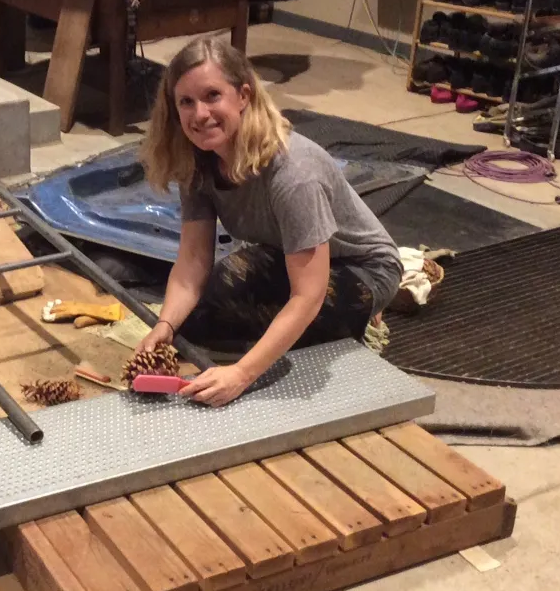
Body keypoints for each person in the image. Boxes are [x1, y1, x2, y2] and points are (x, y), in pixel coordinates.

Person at [136, 36, 403, 407]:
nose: (200, 114)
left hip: (362, 267)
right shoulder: (197, 161)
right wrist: (164, 326)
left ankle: (366, 310)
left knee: (307, 330)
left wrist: (241, 374)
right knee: (201, 311)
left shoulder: (294, 173)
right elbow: (193, 260)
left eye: (212, 96)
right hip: (285, 253)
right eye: (187, 102)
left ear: (243, 95)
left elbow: (308, 295)